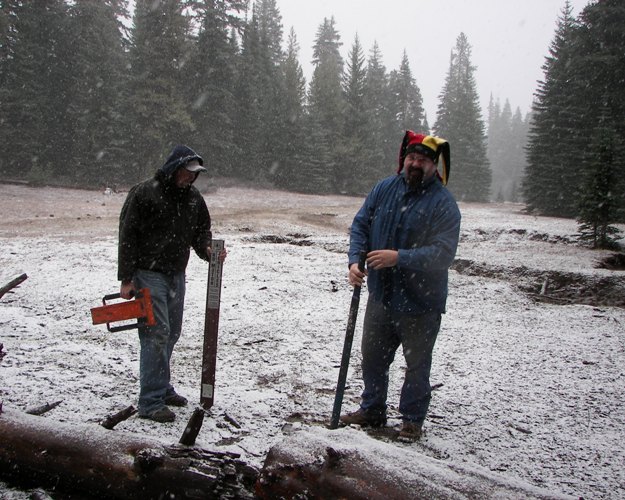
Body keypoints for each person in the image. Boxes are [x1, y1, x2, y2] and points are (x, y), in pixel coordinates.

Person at [341, 131, 461, 441]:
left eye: (422, 160)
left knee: (417, 365)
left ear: (434, 166)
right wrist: (356, 260)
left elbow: (443, 253)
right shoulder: (384, 188)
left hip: (421, 301)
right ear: (403, 159)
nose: (415, 164)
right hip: (381, 296)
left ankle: (411, 419)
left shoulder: (443, 203)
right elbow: (361, 224)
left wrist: (400, 258)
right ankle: (372, 409)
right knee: (373, 358)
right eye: (411, 158)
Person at [118, 145, 226, 423]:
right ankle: (150, 401)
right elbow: (127, 235)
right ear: (174, 168)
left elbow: (201, 232)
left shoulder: (193, 199)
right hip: (147, 274)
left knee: (172, 332)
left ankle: (163, 388)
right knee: (156, 333)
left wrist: (208, 250)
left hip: (177, 274)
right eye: (187, 172)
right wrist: (127, 279)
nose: (190, 178)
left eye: (195, 174)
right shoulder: (144, 192)